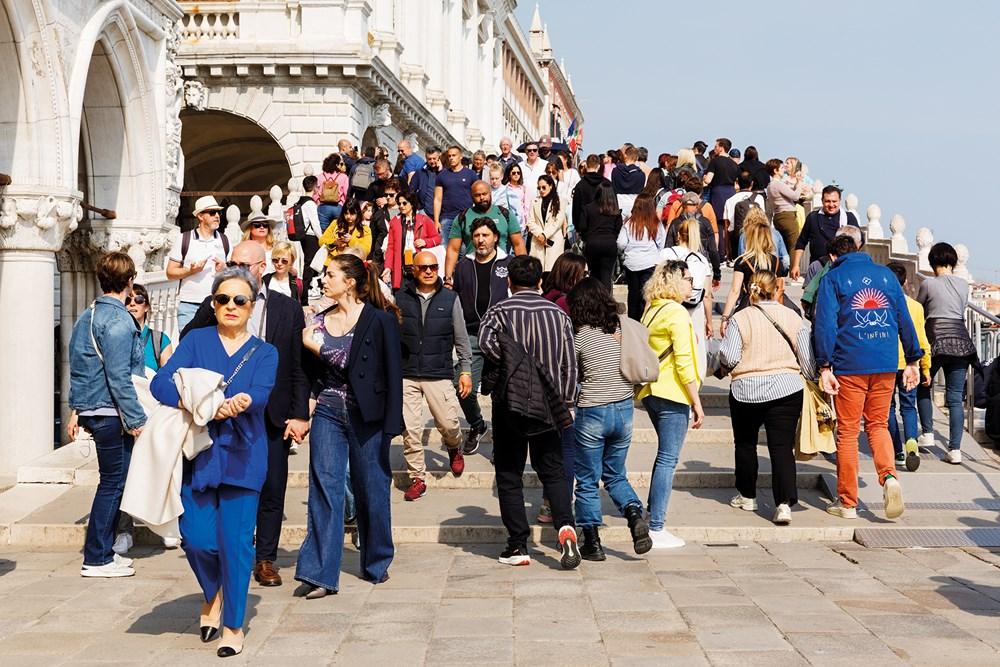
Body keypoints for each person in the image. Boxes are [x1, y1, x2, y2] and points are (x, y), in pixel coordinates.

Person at [151, 266, 279, 657]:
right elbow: (160, 384)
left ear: (252, 306)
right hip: (200, 454)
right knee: (197, 540)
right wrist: (197, 403)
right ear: (212, 302)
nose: (230, 306)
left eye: (240, 300)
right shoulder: (196, 341)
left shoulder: (265, 351)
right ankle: (214, 592)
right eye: (222, 299)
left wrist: (243, 402)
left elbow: (261, 392)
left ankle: (234, 625)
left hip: (244, 454)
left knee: (237, 544)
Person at [179, 241, 310, 589]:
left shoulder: (286, 308)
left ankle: (265, 558)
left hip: (272, 412)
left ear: (262, 267)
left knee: (273, 486)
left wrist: (300, 412)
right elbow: (186, 339)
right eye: (231, 262)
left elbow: (298, 364)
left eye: (243, 264)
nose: (235, 268)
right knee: (225, 488)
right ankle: (228, 550)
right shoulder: (217, 302)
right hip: (220, 415)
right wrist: (214, 305)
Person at [295, 254, 403, 598]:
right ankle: (319, 573)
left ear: (351, 282)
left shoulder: (379, 320)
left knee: (371, 488)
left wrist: (392, 425)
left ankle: (376, 560)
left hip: (368, 414)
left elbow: (391, 374)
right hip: (328, 412)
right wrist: (304, 411)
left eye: (330, 275)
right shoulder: (320, 321)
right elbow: (312, 376)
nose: (323, 280)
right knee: (325, 489)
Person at [479, 255, 580, 569]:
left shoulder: (498, 312)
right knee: (553, 470)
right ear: (540, 282)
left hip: (510, 403)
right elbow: (569, 362)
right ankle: (565, 529)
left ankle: (518, 545)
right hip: (550, 404)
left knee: (509, 474)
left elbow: (485, 344)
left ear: (509, 282)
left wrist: (512, 361)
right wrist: (568, 401)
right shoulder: (558, 316)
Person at [814, 235, 922, 521]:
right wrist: (913, 359)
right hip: (886, 362)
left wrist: (824, 365)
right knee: (878, 425)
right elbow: (904, 320)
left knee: (848, 432)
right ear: (859, 250)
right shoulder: (886, 275)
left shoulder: (833, 278)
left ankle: (848, 501)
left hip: (850, 363)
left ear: (834, 257)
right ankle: (888, 477)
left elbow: (825, 325)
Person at [68, 252, 146, 578]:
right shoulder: (117, 321)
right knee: (113, 483)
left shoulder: (88, 315)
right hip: (109, 412)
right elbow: (118, 377)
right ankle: (97, 557)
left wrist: (77, 409)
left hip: (94, 407)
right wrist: (137, 419)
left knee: (114, 481)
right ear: (129, 282)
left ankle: (104, 550)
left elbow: (79, 366)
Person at [720, 270, 815, 525]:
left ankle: (747, 495)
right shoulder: (793, 318)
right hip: (786, 388)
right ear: (777, 289)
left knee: (745, 443)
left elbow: (728, 357)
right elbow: (807, 361)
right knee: (782, 447)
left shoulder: (741, 318)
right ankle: (783, 504)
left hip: (746, 389)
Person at [568, 277, 652, 559]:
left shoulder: (580, 337)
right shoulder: (621, 329)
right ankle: (633, 515)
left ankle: (592, 543)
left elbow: (573, 376)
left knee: (588, 479)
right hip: (624, 410)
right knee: (615, 473)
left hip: (593, 410)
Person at [638, 260, 704, 548]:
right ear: (675, 281)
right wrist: (697, 403)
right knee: (668, 458)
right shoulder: (676, 312)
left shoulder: (653, 308)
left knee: (663, 456)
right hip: (672, 392)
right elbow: (685, 361)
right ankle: (656, 526)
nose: (692, 284)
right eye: (688, 279)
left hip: (651, 391)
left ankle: (651, 513)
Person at [396, 251, 473, 500]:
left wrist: (466, 370)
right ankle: (418, 477)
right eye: (424, 267)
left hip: (438, 372)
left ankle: (454, 447)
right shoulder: (400, 298)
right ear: (414, 270)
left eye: (434, 267)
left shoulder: (450, 298)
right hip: (407, 372)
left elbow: (461, 338)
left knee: (450, 424)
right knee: (410, 429)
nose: (429, 271)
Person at [448, 218, 511, 455]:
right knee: (462, 387)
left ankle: (502, 442)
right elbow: (454, 298)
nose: (480, 240)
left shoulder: (508, 263)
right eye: (476, 236)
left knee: (502, 393)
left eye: (485, 235)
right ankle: (477, 425)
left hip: (501, 337)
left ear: (495, 237)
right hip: (471, 336)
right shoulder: (464, 265)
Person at [916, 242, 978, 464]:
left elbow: (918, 310)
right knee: (954, 398)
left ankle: (928, 433)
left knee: (923, 386)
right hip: (961, 341)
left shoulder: (928, 284)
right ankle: (955, 450)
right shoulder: (963, 284)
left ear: (932, 262)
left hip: (935, 340)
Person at [886, 263, 931, 471]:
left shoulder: (881, 304)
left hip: (885, 363)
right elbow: (922, 340)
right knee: (909, 406)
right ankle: (911, 440)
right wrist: (926, 368)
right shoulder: (916, 307)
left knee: (888, 409)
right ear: (905, 282)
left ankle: (897, 451)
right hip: (910, 364)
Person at [166, 195, 230, 331]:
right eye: (212, 213)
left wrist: (224, 270)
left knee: (215, 348)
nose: (217, 216)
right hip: (189, 305)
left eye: (219, 212)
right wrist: (190, 271)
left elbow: (235, 274)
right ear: (200, 216)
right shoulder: (184, 239)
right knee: (188, 346)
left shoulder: (225, 241)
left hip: (217, 304)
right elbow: (170, 273)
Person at [660, 218, 713, 375]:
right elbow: (707, 295)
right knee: (694, 345)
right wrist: (709, 321)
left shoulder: (666, 253)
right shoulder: (702, 260)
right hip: (694, 309)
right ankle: (694, 379)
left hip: (670, 306)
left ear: (678, 234)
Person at [444, 180, 526, 279]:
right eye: (477, 195)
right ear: (471, 196)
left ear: (490, 193)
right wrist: (448, 278)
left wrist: (523, 273)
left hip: (501, 270)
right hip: (472, 269)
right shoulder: (462, 217)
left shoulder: (505, 214)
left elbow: (518, 244)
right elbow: (453, 249)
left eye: (484, 194)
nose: (482, 198)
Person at [721, 212, 787, 332]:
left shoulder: (742, 262)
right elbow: (780, 288)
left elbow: (735, 291)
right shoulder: (776, 261)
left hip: (749, 304)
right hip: (771, 306)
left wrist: (725, 317)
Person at [791, 186, 860, 280]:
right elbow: (801, 243)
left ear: (840, 201)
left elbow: (859, 242)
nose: (831, 205)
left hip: (842, 269)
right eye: (827, 201)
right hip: (817, 268)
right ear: (822, 201)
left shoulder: (849, 218)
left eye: (834, 201)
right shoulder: (813, 218)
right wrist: (795, 265)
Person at [617, 193, 666, 320]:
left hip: (632, 263)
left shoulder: (629, 224)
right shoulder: (656, 224)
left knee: (633, 295)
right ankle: (645, 321)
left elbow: (621, 243)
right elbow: (661, 243)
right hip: (650, 263)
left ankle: (633, 323)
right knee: (647, 295)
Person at [382, 190, 441, 291]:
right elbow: (390, 247)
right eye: (399, 203)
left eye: (404, 203)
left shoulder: (424, 219)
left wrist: (425, 242)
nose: (401, 206)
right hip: (401, 266)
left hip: (419, 263)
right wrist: (388, 267)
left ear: (412, 204)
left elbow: (437, 238)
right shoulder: (395, 222)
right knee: (402, 296)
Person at [665, 191, 723, 288]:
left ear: (682, 205)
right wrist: (717, 274)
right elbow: (713, 250)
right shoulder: (705, 223)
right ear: (698, 205)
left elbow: (668, 247)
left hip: (680, 268)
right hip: (701, 265)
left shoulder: (675, 223)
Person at [577, 180, 622, 289]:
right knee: (606, 275)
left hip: (592, 243)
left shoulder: (588, 208)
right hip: (609, 244)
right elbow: (618, 228)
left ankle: (594, 299)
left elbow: (582, 227)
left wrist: (587, 237)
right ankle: (606, 300)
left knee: (594, 274)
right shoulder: (615, 211)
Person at [703, 138, 741, 256]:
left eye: (716, 146)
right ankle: (731, 253)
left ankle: (720, 253)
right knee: (729, 223)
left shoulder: (715, 162)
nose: (714, 148)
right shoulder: (734, 164)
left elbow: (708, 180)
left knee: (718, 223)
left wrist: (704, 178)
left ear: (721, 147)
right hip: (731, 192)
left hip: (718, 192)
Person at [765, 158, 804, 263]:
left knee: (783, 246)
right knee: (794, 244)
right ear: (775, 171)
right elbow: (795, 196)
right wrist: (799, 183)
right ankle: (793, 272)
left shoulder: (769, 186)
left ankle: (782, 271)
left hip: (777, 216)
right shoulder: (778, 184)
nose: (784, 169)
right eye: (781, 168)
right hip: (787, 216)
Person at [434, 146, 477, 240]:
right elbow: (437, 199)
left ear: (460, 156)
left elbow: (476, 195)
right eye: (449, 156)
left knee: (464, 250)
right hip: (447, 218)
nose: (451, 158)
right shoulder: (442, 175)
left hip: (466, 217)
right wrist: (436, 220)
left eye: (454, 155)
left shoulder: (471, 174)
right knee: (444, 249)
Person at [291, 175, 323, 302]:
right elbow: (315, 224)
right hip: (311, 237)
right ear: (315, 187)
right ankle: (306, 294)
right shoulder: (310, 204)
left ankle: (306, 292)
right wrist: (322, 239)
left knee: (309, 263)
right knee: (311, 264)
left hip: (303, 237)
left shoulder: (300, 202)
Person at [527, 174, 567, 272]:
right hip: (537, 241)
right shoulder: (534, 201)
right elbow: (530, 221)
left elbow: (558, 222)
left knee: (553, 271)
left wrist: (545, 235)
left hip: (553, 241)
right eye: (539, 188)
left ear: (551, 186)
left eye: (544, 187)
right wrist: (539, 234)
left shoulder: (561, 201)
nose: (541, 190)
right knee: (537, 271)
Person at [723, 171, 765, 261]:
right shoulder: (759, 198)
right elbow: (763, 220)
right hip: (756, 236)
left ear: (737, 183)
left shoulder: (729, 200)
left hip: (736, 238)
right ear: (752, 183)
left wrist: (727, 249)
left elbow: (727, 226)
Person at [488, 163, 524, 235]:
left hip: (504, 230)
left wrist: (515, 230)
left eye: (496, 178)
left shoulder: (508, 191)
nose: (494, 181)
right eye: (492, 178)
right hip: (489, 229)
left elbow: (518, 212)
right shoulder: (487, 190)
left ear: (501, 177)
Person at [317, 153, 350, 231]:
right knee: (339, 230)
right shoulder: (343, 177)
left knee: (323, 232)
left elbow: (316, 194)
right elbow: (346, 194)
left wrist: (318, 204)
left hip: (323, 207)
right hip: (338, 206)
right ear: (336, 165)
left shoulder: (320, 177)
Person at [410, 145, 442, 214]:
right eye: (429, 159)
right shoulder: (420, 172)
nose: (432, 161)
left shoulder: (445, 173)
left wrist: (441, 171)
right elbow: (411, 190)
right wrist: (417, 206)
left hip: (440, 213)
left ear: (439, 158)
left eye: (434, 158)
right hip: (423, 211)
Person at [502, 161, 529, 233]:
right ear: (509, 174)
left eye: (518, 173)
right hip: (511, 223)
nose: (516, 175)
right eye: (514, 173)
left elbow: (526, 206)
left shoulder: (523, 188)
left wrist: (527, 222)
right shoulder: (505, 188)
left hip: (523, 224)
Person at [520, 140, 549, 206]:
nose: (532, 152)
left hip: (542, 202)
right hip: (525, 204)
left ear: (538, 152)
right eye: (529, 150)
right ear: (525, 152)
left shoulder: (545, 164)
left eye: (534, 150)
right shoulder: (520, 166)